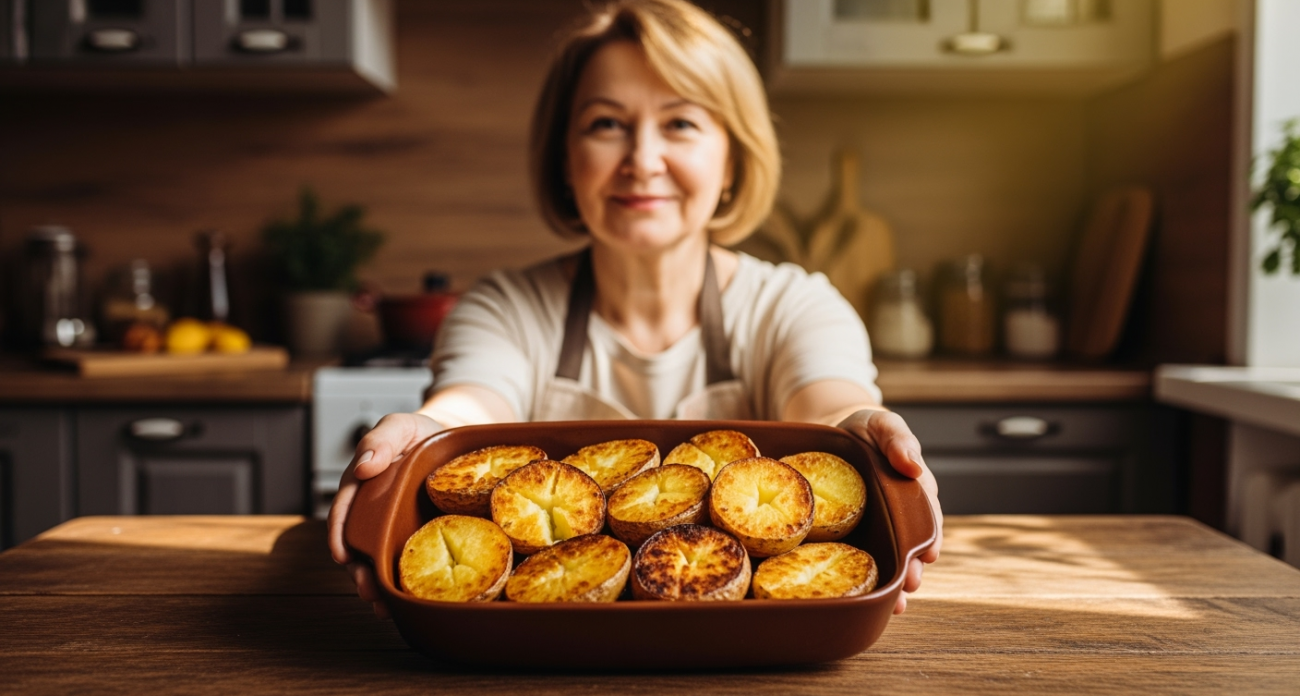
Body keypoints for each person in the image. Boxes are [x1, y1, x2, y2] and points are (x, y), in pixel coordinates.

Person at [328, 0, 941, 616]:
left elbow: (828, 411)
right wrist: (428, 431)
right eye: (606, 125)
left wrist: (868, 431)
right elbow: (474, 405)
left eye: (680, 124)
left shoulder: (795, 305)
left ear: (731, 160)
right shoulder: (503, 308)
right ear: (566, 160)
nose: (642, 160)